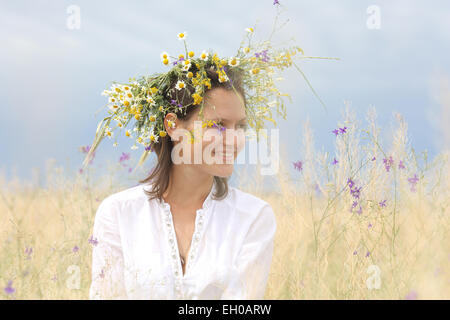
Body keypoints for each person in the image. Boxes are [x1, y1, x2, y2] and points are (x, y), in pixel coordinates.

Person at [88, 64, 277, 300]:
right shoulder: (118, 213)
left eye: (240, 126)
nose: (234, 140)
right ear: (174, 126)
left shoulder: (253, 217)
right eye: (217, 125)